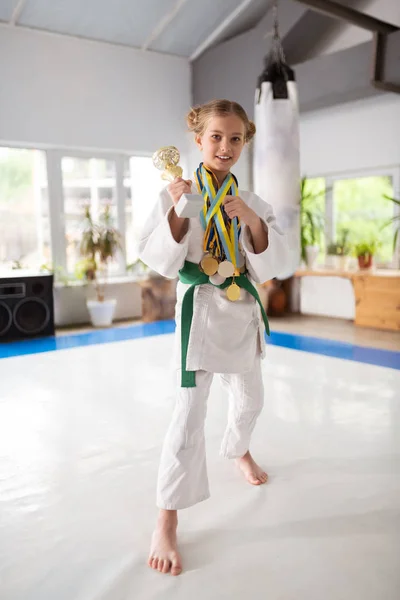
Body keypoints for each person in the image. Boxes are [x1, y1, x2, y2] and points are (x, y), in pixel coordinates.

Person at [139, 99, 291, 576]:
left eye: (235, 138)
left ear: (244, 143)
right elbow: (157, 257)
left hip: (240, 308)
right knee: (188, 415)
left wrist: (249, 217)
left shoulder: (256, 201)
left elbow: (275, 261)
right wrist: (181, 210)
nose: (225, 146)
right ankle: (166, 517)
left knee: (250, 401)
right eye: (216, 137)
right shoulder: (175, 192)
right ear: (199, 141)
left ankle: (238, 448)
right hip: (199, 311)